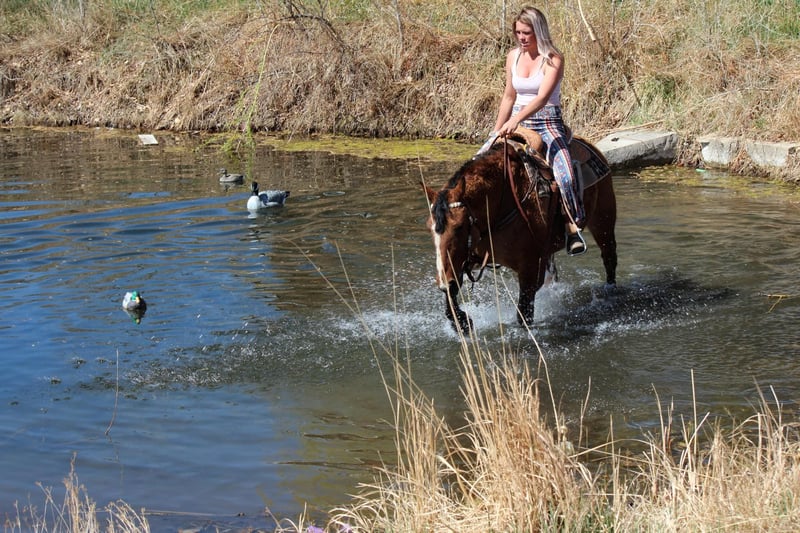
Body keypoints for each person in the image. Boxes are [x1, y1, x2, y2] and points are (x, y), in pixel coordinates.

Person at [491, 6, 586, 256]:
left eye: (527, 33)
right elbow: (508, 97)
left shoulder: (553, 58)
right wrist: (496, 131)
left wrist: (515, 120)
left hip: (547, 124)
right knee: (481, 165)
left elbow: (542, 98)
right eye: (518, 32)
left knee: (565, 175)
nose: (521, 38)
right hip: (516, 123)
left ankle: (572, 226)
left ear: (539, 31)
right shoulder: (513, 56)